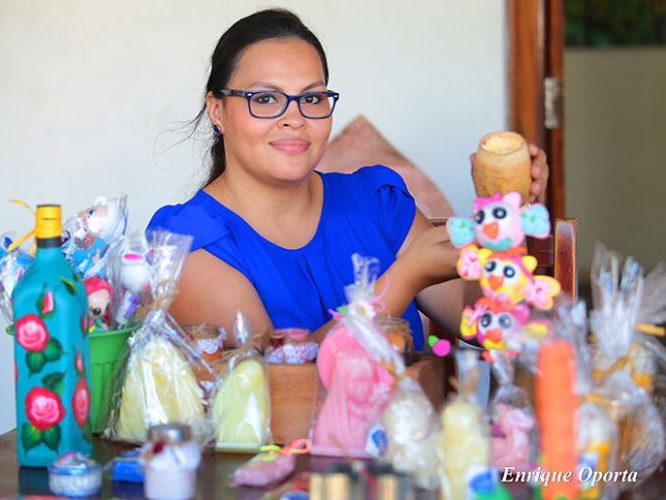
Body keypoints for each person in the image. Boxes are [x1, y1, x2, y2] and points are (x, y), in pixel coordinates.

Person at [147, 8, 549, 350]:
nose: (294, 118)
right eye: (265, 98)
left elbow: (486, 321)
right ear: (217, 111)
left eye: (312, 97)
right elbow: (272, 392)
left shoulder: (376, 201)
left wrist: (505, 213)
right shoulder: (187, 245)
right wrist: (405, 278)